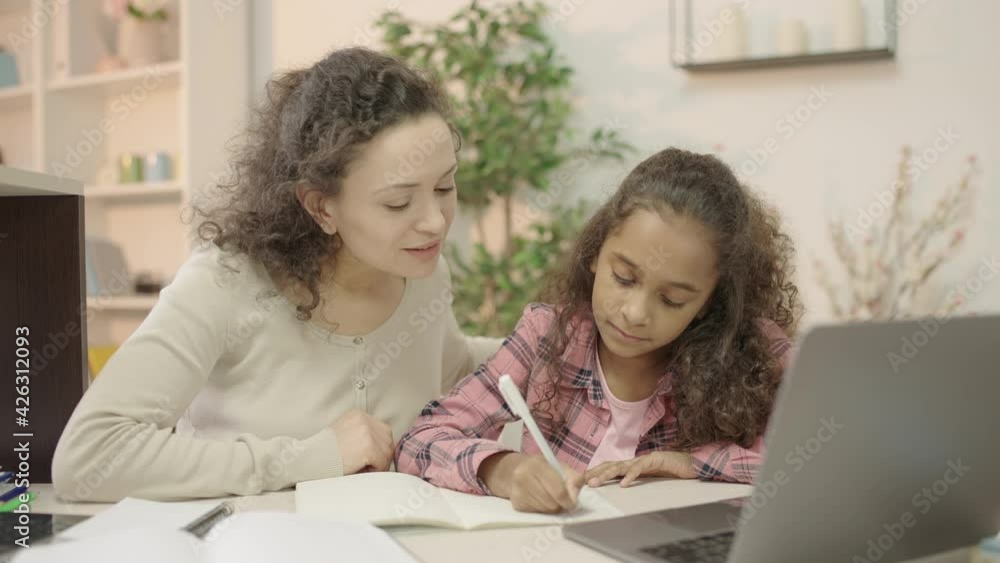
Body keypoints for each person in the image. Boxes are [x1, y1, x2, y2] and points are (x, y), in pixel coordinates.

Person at [52, 47, 501, 502]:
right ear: (321, 206)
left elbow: (451, 367)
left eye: (445, 186)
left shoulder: (423, 273)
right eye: (398, 203)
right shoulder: (227, 283)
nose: (435, 222)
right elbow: (90, 455)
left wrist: (541, 339)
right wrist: (311, 457)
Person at [395, 148, 800, 514]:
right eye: (624, 278)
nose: (635, 313)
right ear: (595, 254)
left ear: (710, 302)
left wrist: (693, 463)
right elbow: (422, 439)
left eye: (672, 299)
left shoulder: (754, 354)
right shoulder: (547, 336)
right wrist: (505, 469)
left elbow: (818, 462)